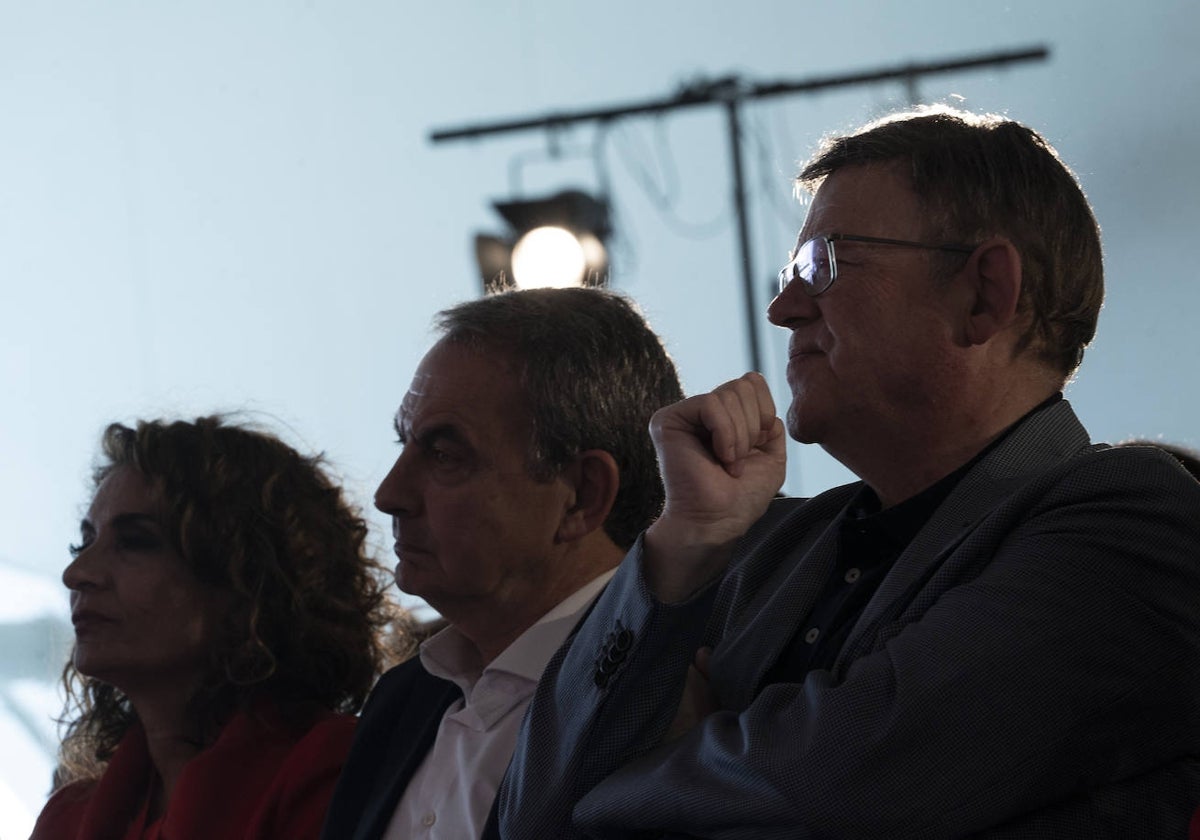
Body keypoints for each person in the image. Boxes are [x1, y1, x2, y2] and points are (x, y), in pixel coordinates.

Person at [499, 106, 1200, 838]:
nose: (783, 307)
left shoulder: (1137, 525)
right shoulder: (764, 549)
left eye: (822, 264)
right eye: (789, 272)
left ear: (984, 292)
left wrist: (620, 785)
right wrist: (687, 539)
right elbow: (525, 815)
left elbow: (838, 792)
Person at [319, 287, 684, 840]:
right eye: (405, 444)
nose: (390, 494)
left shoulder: (666, 696)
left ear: (581, 496)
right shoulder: (401, 702)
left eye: (444, 455)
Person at [32, 416, 405, 840]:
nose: (77, 572)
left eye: (135, 542)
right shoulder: (66, 818)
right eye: (84, 542)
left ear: (249, 578)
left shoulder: (331, 770)